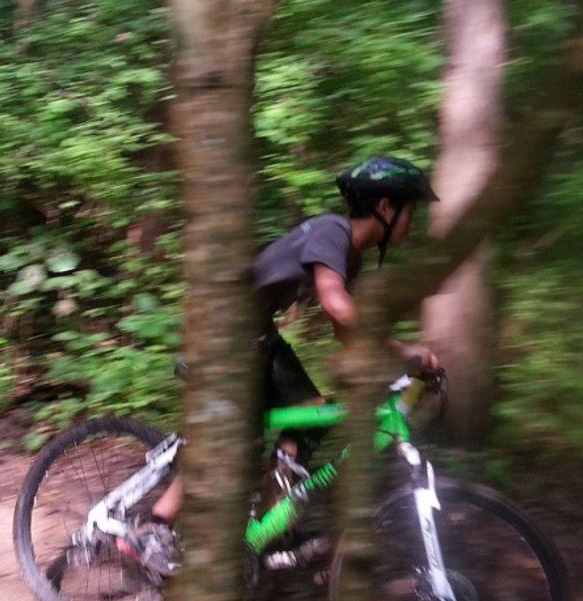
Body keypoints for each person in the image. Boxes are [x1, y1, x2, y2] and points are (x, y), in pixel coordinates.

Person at [126, 155, 439, 572]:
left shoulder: (349, 253)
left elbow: (345, 330)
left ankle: (275, 520)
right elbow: (335, 302)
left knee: (312, 411)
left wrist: (394, 360)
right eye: (409, 211)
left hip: (257, 336)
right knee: (232, 445)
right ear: (385, 207)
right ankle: (154, 525)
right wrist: (405, 352)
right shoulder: (332, 231)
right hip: (228, 338)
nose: (411, 222)